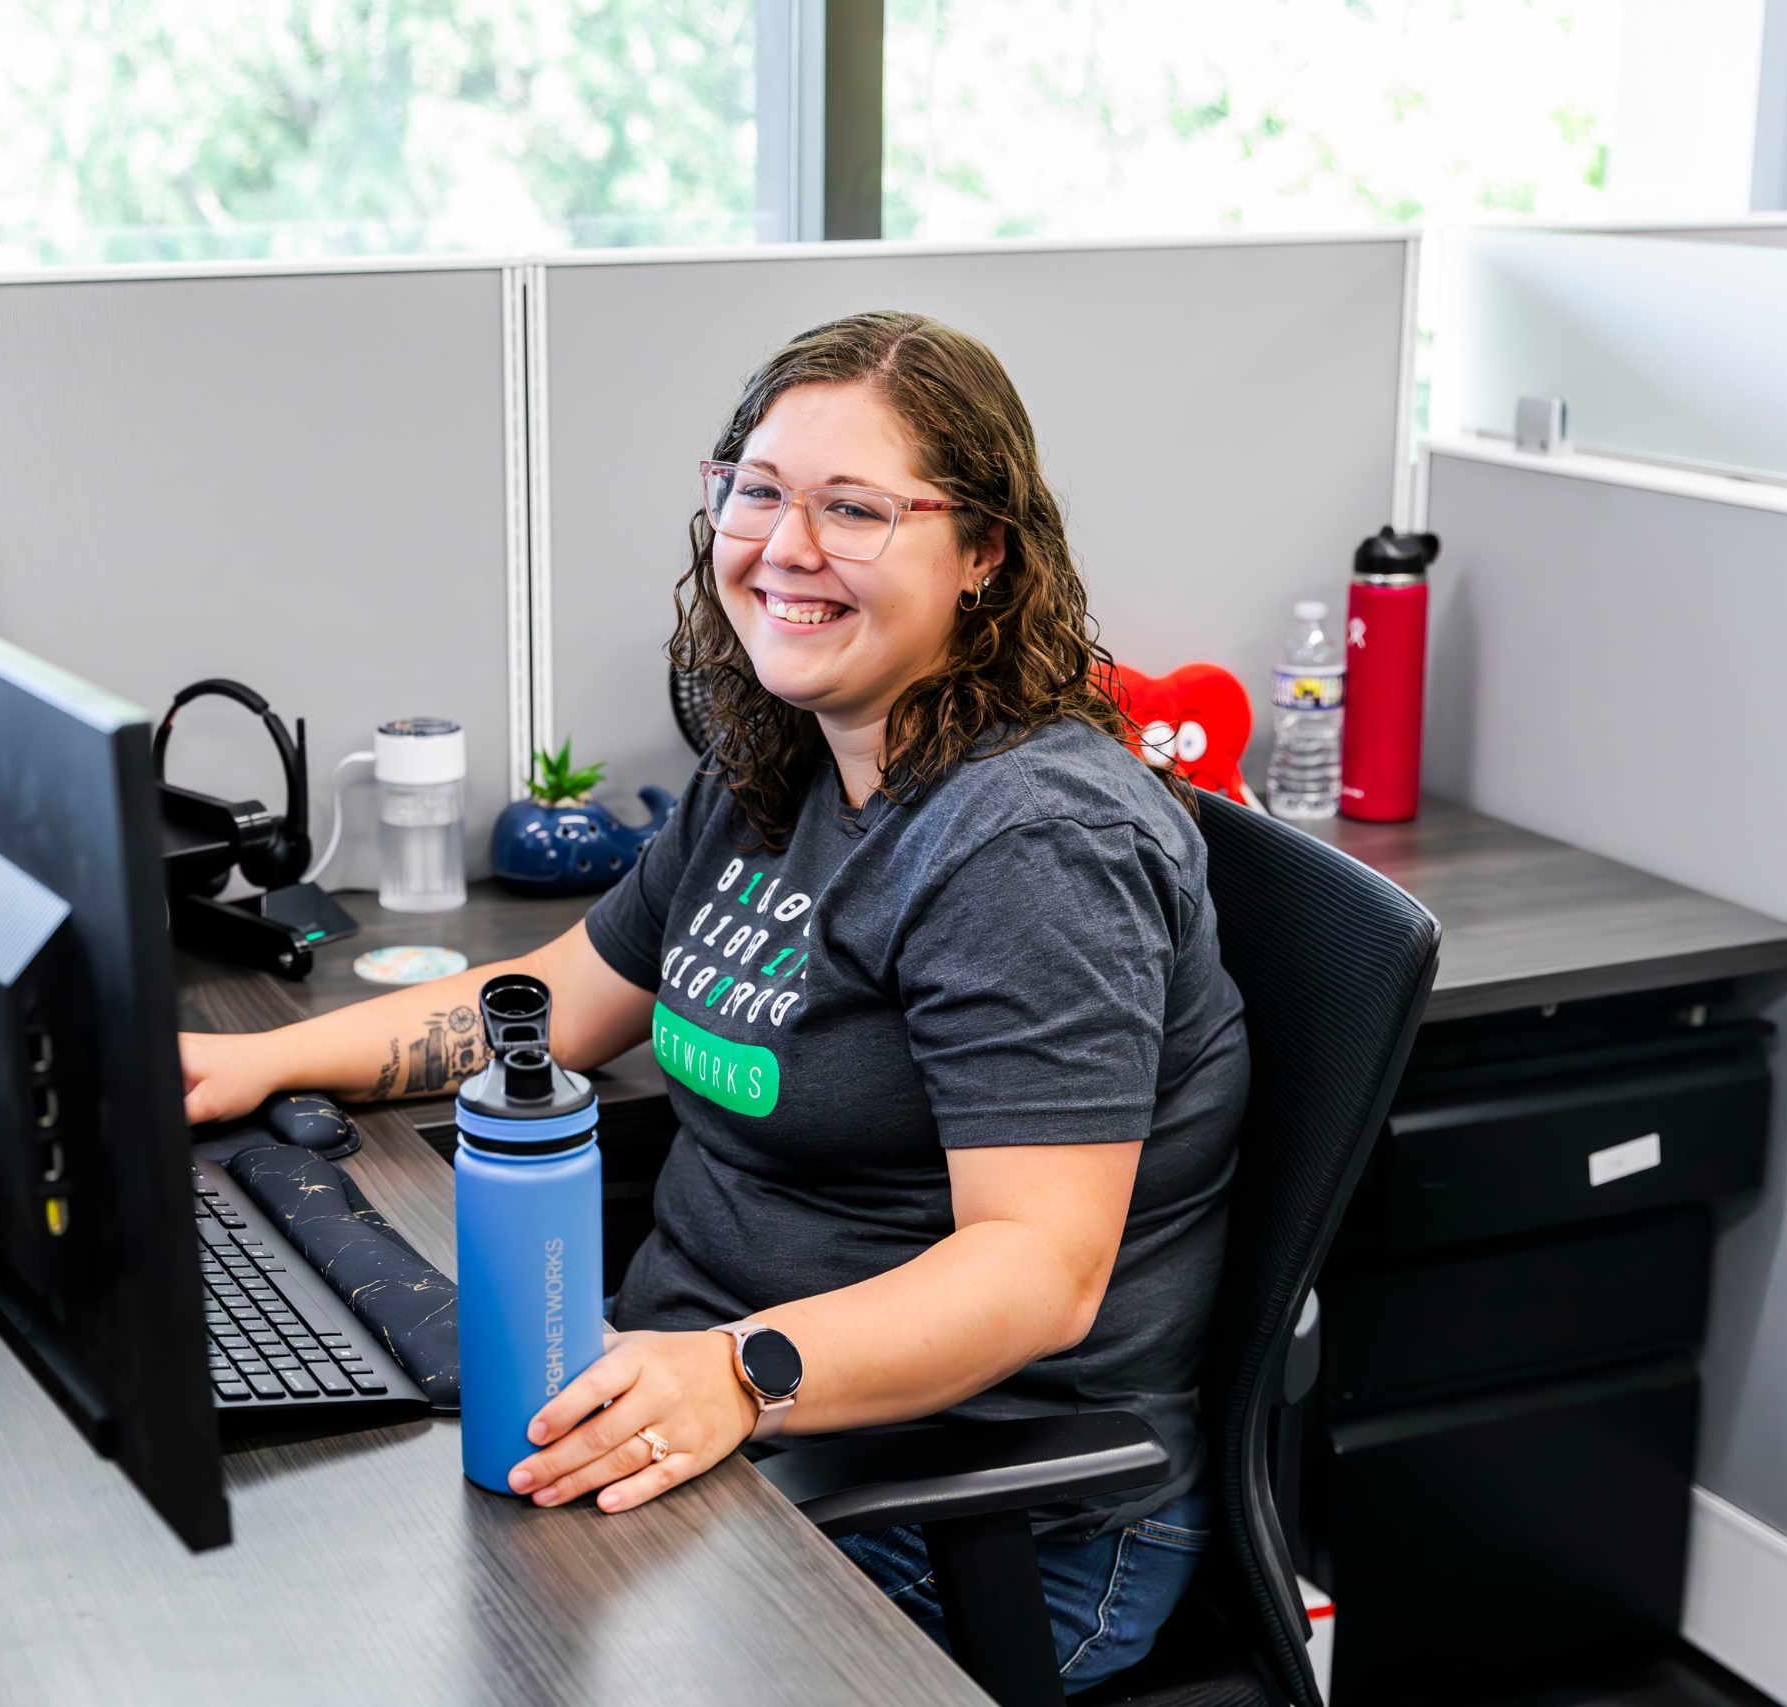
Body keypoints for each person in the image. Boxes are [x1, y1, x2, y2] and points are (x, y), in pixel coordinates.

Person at [178, 310, 1248, 1690]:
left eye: (854, 508)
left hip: (969, 1512)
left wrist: (736, 1375)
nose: (784, 547)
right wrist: (250, 1065)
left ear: (984, 553)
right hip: (704, 1410)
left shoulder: (1032, 845)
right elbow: (563, 994)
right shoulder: (784, 759)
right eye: (757, 491)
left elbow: (1038, 1270)